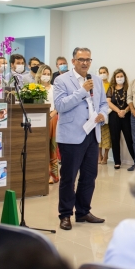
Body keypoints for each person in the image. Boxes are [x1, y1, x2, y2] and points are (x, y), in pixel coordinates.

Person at [54, 47, 108, 230]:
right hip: (71, 136)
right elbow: (60, 106)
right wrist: (82, 91)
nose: (85, 62)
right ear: (73, 61)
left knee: (89, 176)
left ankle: (83, 211)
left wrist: (102, 114)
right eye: (81, 59)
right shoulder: (61, 80)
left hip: (92, 133)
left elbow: (103, 103)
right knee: (69, 178)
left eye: (88, 59)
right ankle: (65, 214)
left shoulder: (96, 79)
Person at [107, 69, 135, 169]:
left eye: (121, 76)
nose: (119, 78)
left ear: (124, 77)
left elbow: (132, 100)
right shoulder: (111, 88)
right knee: (115, 139)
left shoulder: (128, 88)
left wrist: (125, 111)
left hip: (126, 115)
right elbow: (108, 102)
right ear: (114, 78)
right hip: (114, 116)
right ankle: (117, 162)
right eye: (118, 76)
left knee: (129, 138)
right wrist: (119, 111)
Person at [36, 65, 59, 183]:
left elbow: (58, 105)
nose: (46, 76)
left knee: (52, 146)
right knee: (40, 146)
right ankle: (41, 173)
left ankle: (53, 175)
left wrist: (52, 114)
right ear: (39, 74)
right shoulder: (34, 88)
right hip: (38, 119)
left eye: (48, 74)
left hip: (52, 118)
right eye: (44, 73)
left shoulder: (54, 88)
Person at [98, 66, 111, 164]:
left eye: (104, 72)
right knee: (98, 136)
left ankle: (106, 156)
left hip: (109, 112)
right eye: (100, 72)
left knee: (107, 135)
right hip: (97, 113)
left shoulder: (110, 85)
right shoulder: (96, 85)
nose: (102, 74)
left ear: (107, 73)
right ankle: (99, 155)